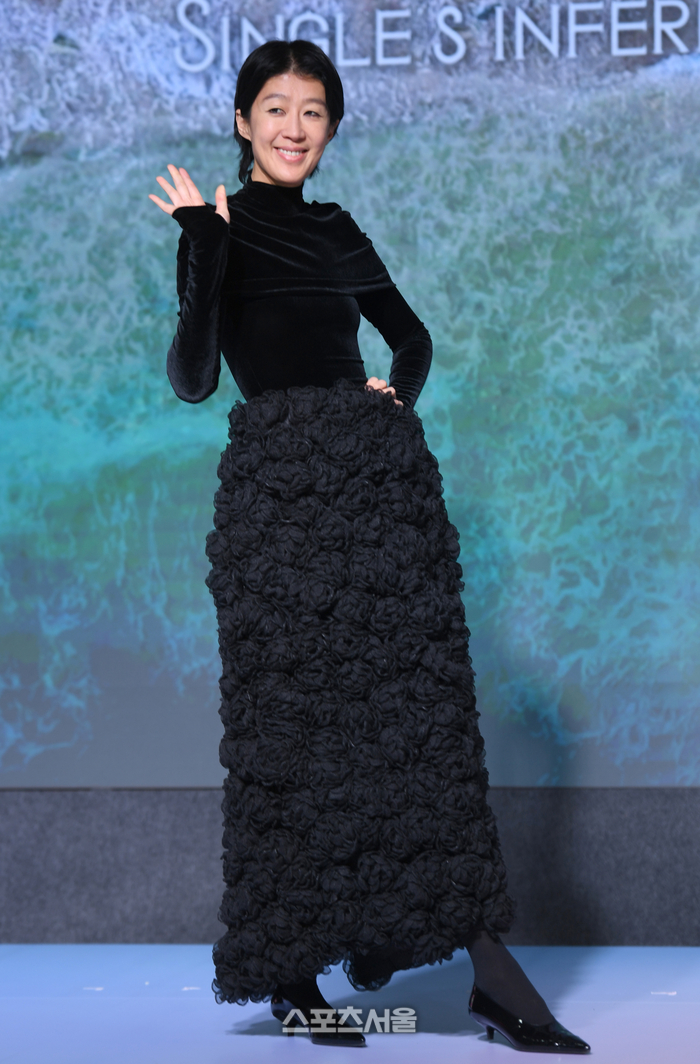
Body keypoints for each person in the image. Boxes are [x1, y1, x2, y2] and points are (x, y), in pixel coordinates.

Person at [149, 39, 590, 1053]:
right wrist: (202, 244)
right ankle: (294, 970)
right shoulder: (217, 229)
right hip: (277, 501)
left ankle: (484, 969)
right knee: (289, 733)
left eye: (312, 111)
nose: (293, 126)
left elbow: (412, 339)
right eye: (274, 107)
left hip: (377, 493)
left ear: (332, 128)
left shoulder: (337, 228)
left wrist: (397, 398)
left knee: (416, 727)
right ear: (242, 122)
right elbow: (192, 379)